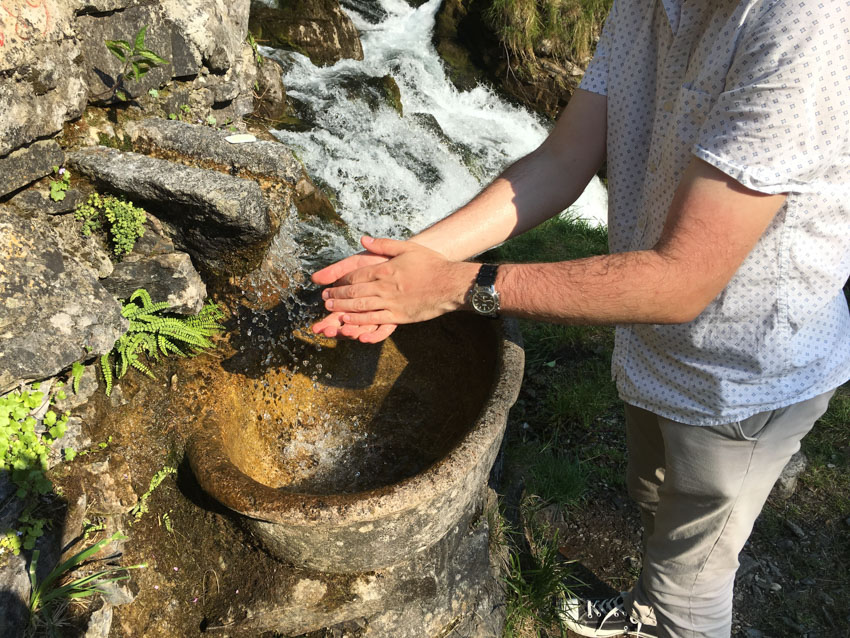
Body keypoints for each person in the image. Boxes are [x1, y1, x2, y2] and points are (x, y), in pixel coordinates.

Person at [310, 0, 850, 636]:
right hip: (650, 337)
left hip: (743, 374)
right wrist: (411, 264)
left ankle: (664, 616)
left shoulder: (806, 24)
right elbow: (564, 160)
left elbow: (681, 282)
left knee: (693, 583)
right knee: (652, 500)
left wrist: (459, 285)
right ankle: (644, 609)